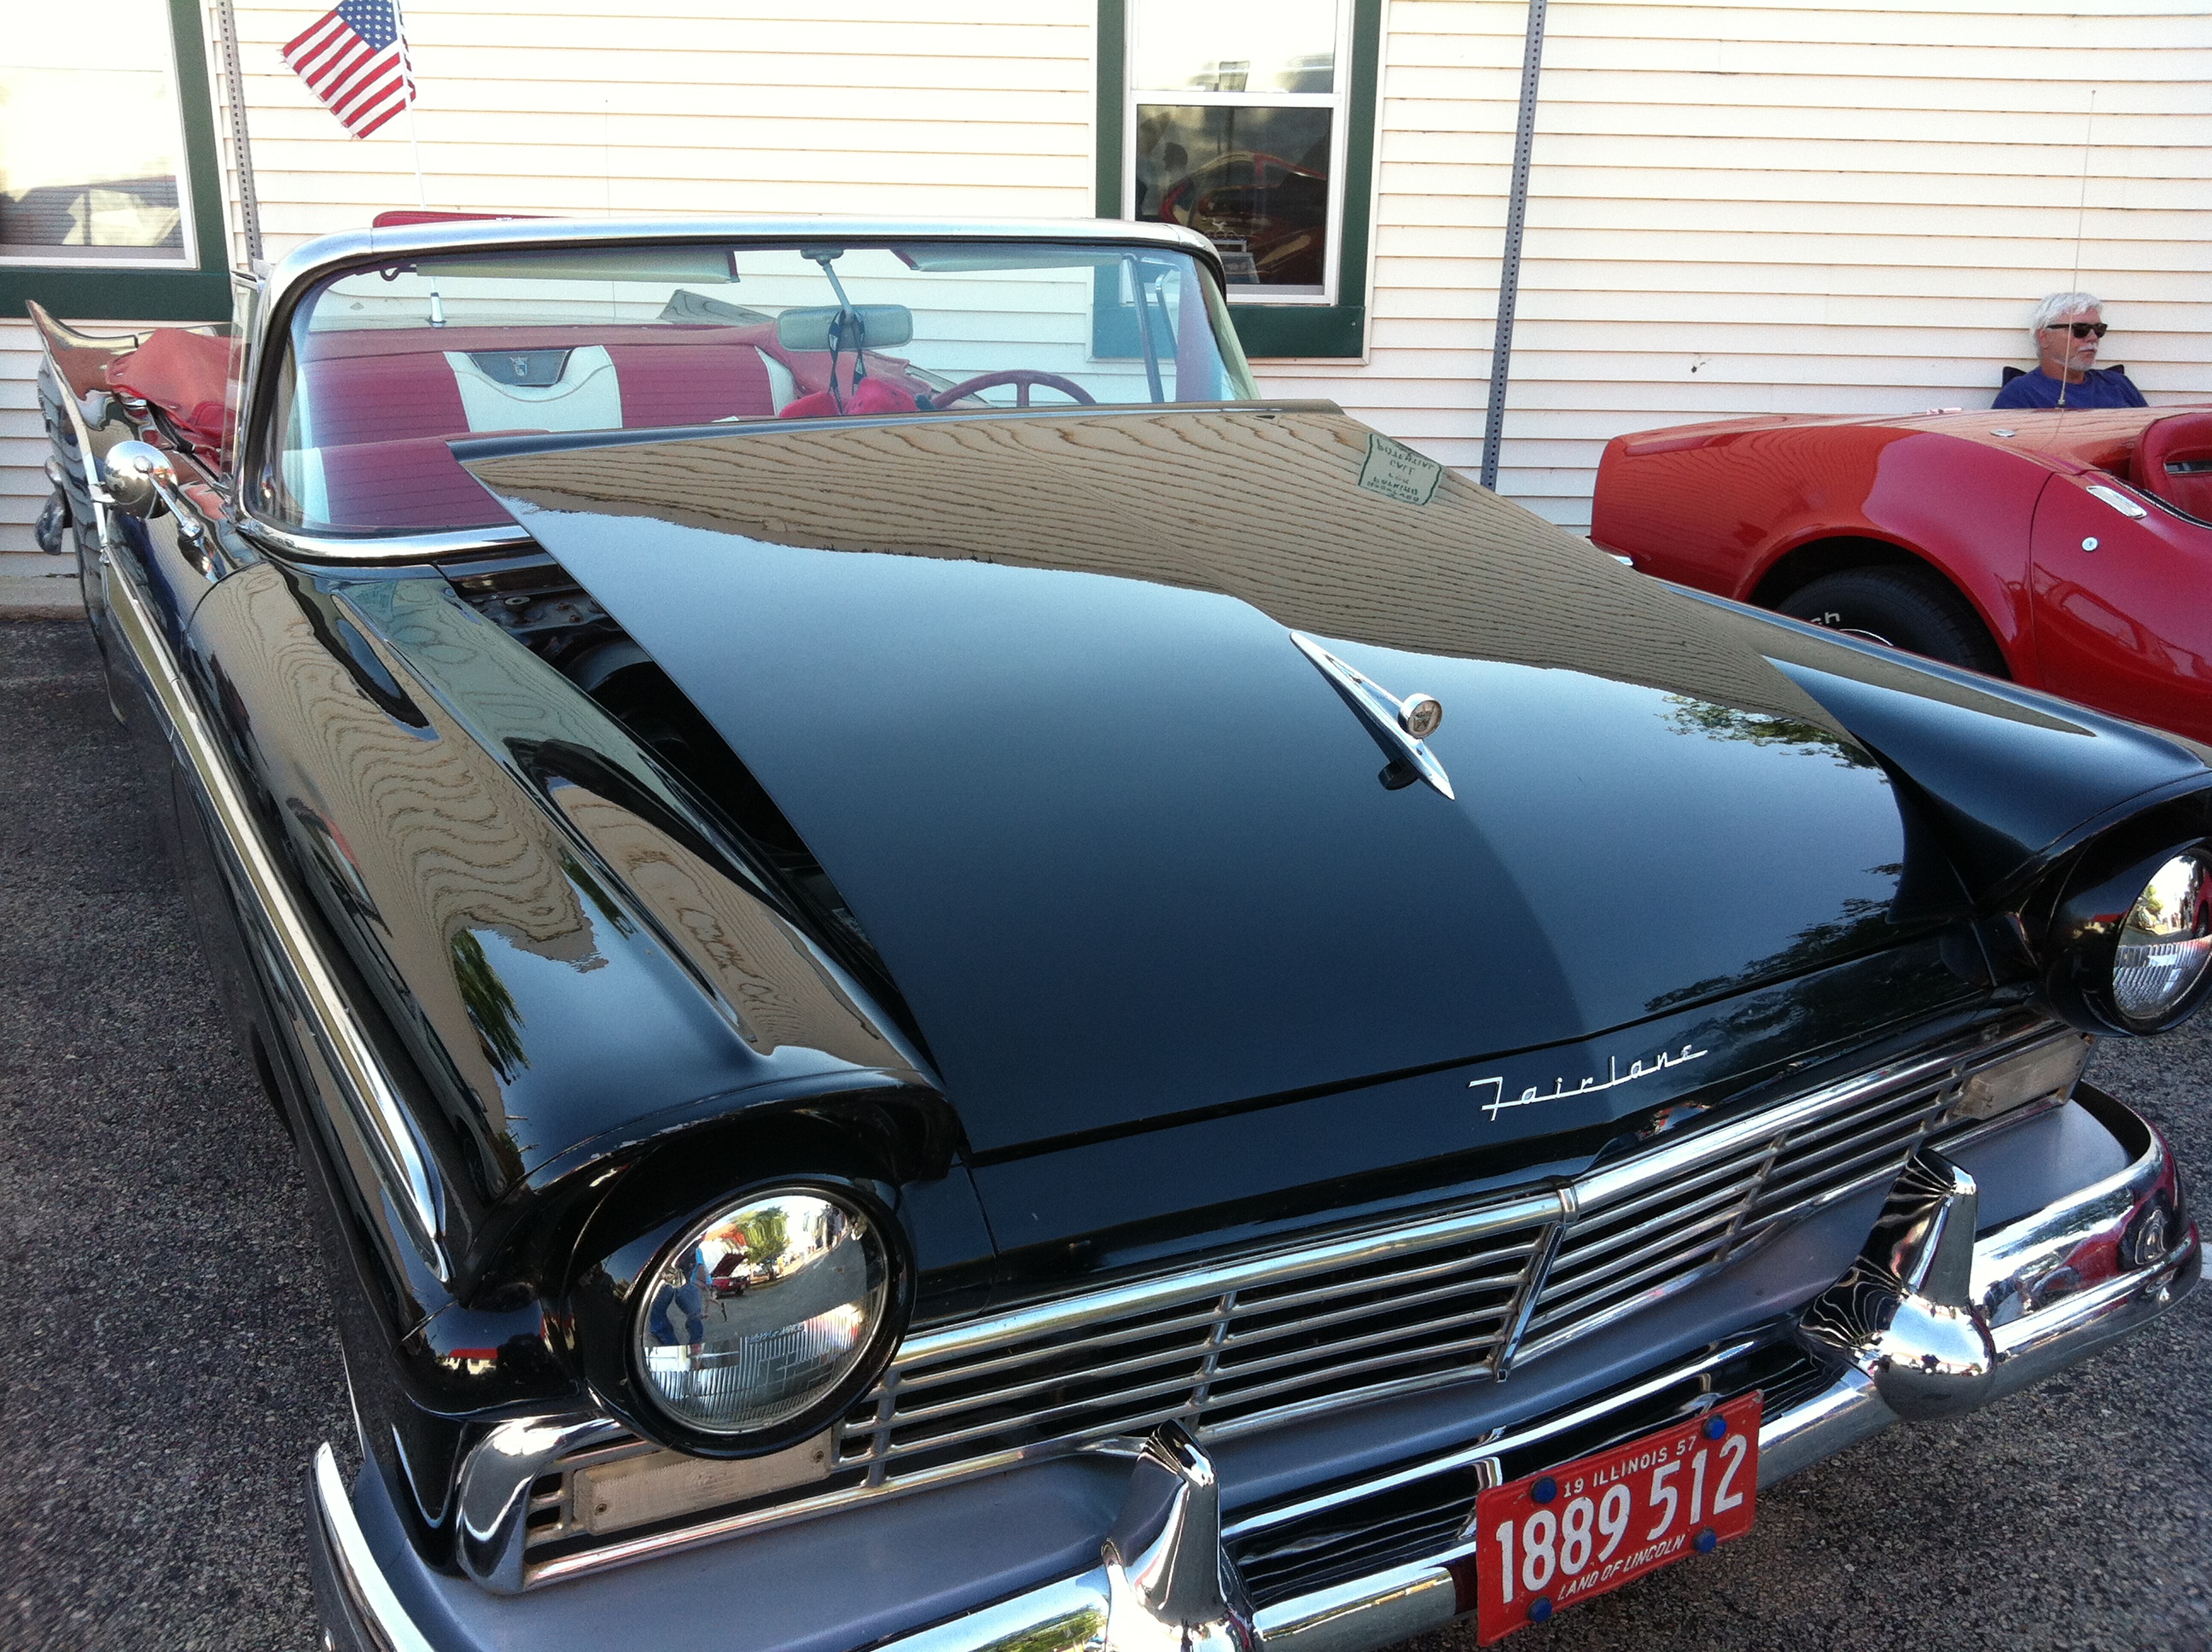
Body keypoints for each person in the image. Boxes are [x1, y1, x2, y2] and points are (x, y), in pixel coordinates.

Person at [1993, 292, 2147, 410]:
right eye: (2080, 329)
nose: (2093, 337)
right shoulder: (2020, 394)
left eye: (2099, 329)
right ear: (2045, 337)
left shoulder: (2118, 383)